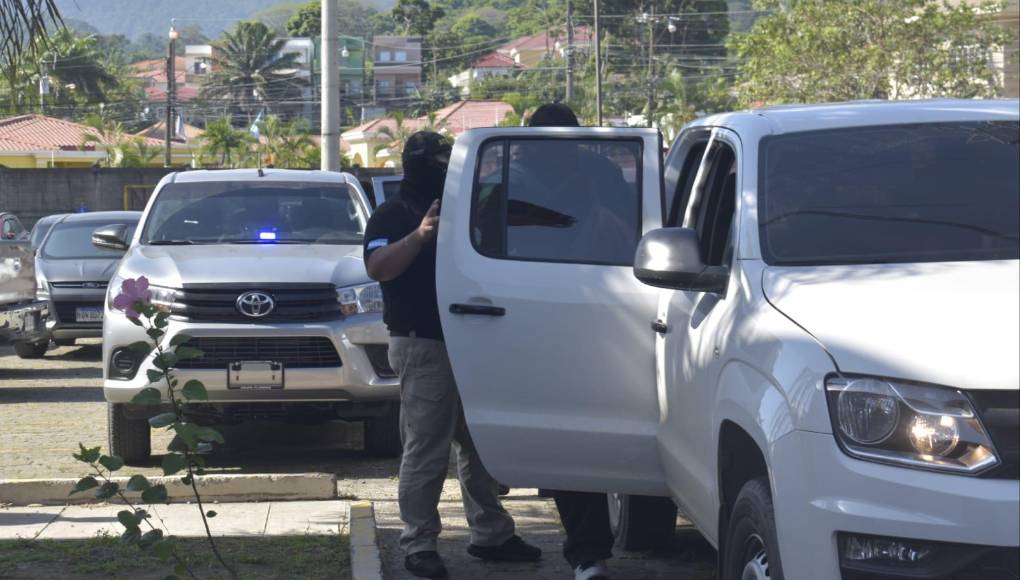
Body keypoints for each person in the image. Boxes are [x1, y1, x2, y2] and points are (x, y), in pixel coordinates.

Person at [363, 131, 542, 579]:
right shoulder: (392, 212)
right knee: (427, 447)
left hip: (477, 340)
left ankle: (492, 534)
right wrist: (420, 235)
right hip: (423, 342)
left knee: (481, 443)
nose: (444, 172)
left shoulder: (466, 208)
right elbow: (378, 267)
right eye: (437, 164)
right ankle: (419, 542)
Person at [527, 102, 618, 580]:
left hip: (607, 310)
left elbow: (634, 233)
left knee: (601, 432)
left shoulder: (601, 173)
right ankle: (586, 551)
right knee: (566, 436)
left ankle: (591, 548)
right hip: (537, 312)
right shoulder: (508, 174)